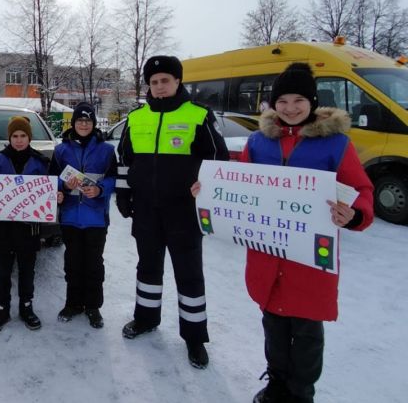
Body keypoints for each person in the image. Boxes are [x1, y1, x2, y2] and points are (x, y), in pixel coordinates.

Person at [231, 63, 373, 403]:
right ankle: (277, 384)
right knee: (273, 326)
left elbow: (361, 190)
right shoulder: (258, 142)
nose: (290, 108)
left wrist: (354, 215)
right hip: (267, 255)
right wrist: (208, 191)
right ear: (272, 104)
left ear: (312, 102)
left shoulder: (335, 144)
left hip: (310, 261)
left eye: (298, 100)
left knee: (307, 333)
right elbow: (238, 183)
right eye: (282, 101)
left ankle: (300, 393)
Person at [115, 55, 229, 369]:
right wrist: (124, 194)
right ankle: (146, 319)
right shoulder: (136, 118)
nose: (160, 87)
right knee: (148, 270)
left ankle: (194, 337)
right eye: (154, 82)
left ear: (178, 81)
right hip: (147, 211)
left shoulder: (198, 115)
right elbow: (125, 160)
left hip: (184, 212)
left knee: (189, 275)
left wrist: (204, 188)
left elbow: (218, 159)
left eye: (166, 80)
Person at [49, 102, 117, 328]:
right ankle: (73, 303)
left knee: (94, 264)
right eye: (80, 120)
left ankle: (93, 307)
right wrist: (64, 186)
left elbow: (112, 179)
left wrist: (100, 189)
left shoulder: (107, 150)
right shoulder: (61, 150)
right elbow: (52, 180)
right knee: (73, 262)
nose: (84, 124)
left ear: (93, 123)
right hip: (70, 216)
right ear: (74, 123)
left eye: (88, 121)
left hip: (96, 218)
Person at [0, 115, 49, 334]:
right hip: (2, 228)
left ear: (29, 137)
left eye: (23, 136)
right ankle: (2, 309)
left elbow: (50, 189)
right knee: (2, 271)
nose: (19, 140)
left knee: (27, 270)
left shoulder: (40, 162)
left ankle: (26, 307)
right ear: (9, 137)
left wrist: (56, 195)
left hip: (28, 228)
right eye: (15, 136)